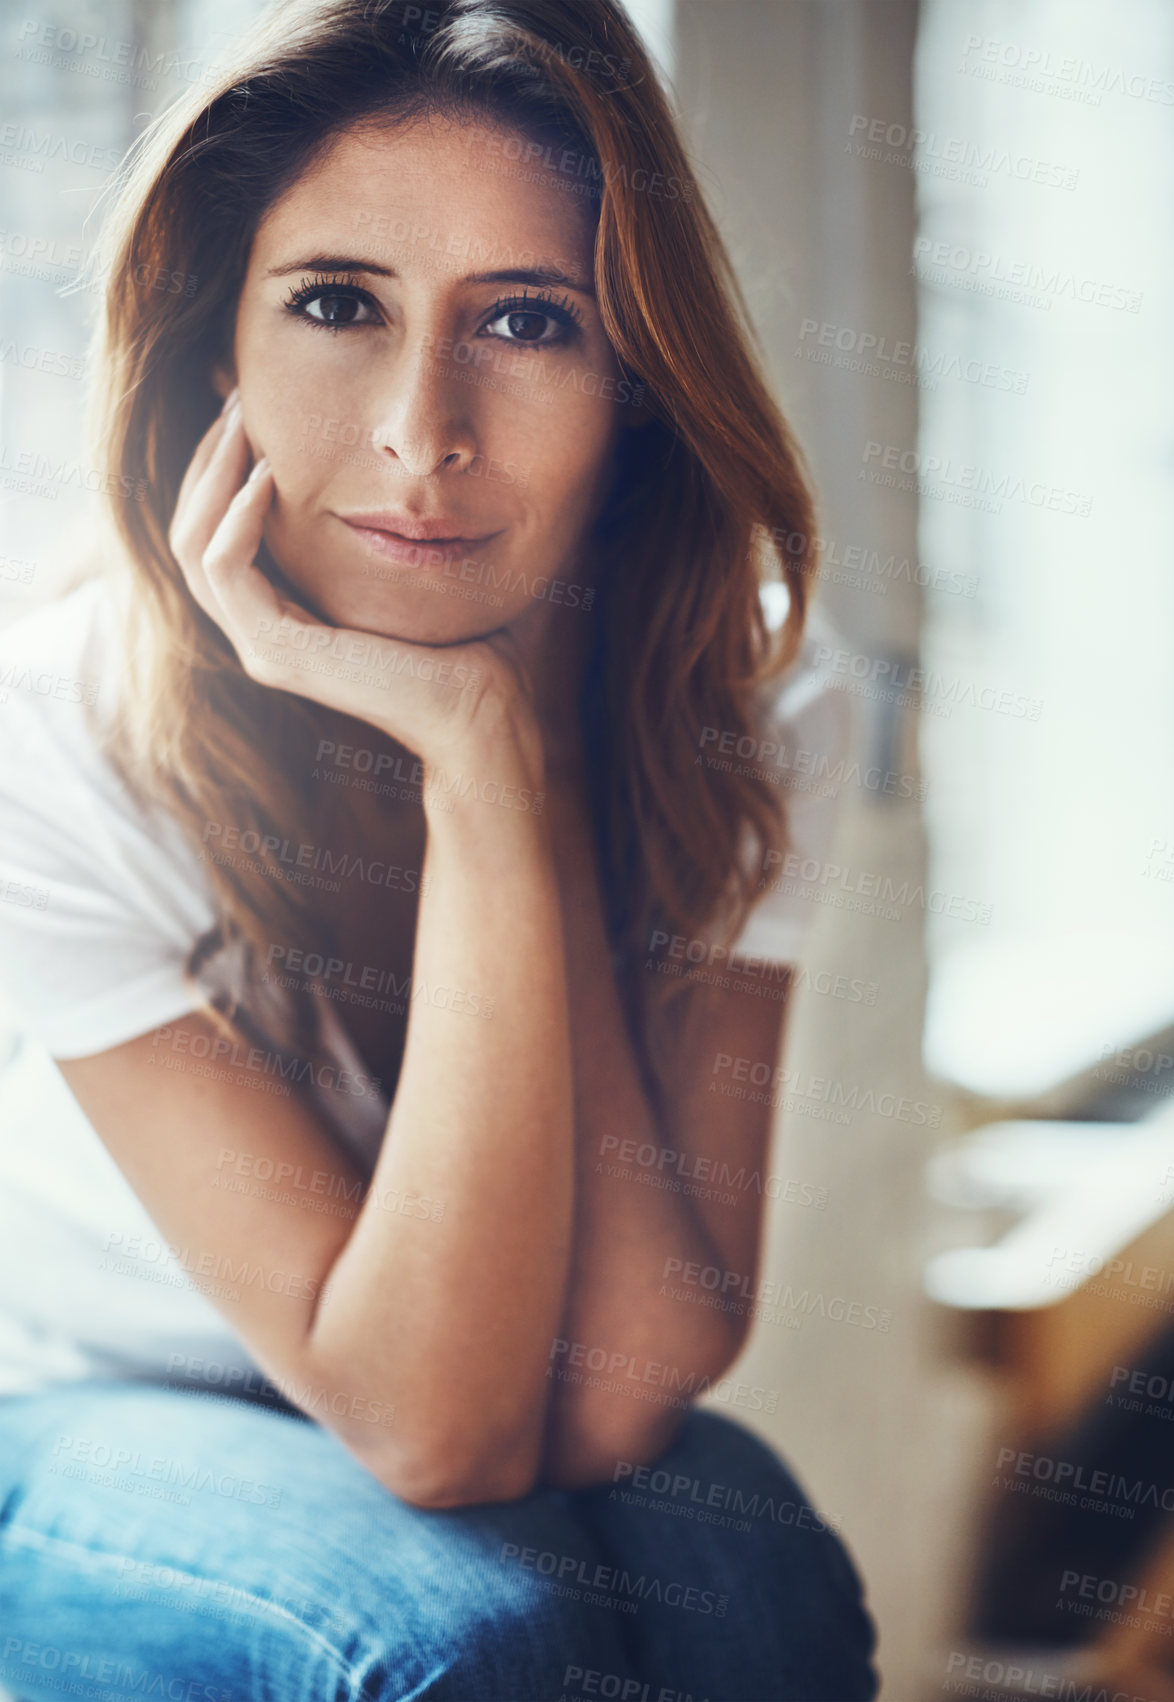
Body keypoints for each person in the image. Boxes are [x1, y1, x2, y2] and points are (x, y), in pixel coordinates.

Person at [0, 0, 880, 1695]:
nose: (422, 427)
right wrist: (478, 754)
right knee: (454, 1639)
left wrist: (508, 769)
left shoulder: (756, 706)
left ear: (638, 380)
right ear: (216, 352)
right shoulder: (52, 734)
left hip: (460, 1377)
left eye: (530, 320)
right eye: (337, 303)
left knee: (746, 1552)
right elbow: (435, 1431)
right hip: (75, 1402)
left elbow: (627, 1374)